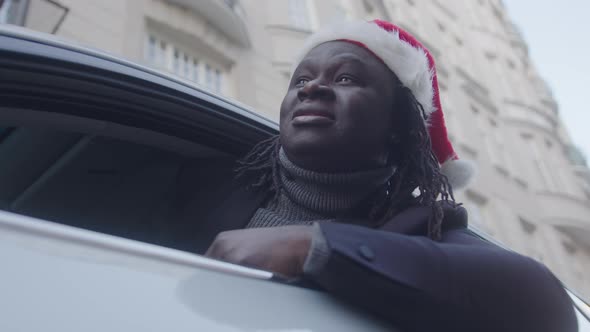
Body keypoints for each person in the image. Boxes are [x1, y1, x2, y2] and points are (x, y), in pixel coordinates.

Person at [202, 20, 577, 331]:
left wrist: (315, 247)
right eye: (300, 80)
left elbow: (545, 303)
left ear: (398, 127)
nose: (312, 87)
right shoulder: (206, 178)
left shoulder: (424, 229)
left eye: (346, 78)